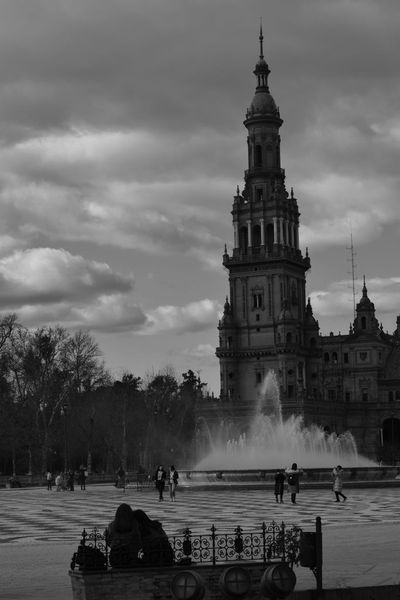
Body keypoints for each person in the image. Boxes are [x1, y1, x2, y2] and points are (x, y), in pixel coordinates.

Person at [105, 503, 144, 568]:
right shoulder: (134, 525)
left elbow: (108, 542)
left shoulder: (112, 526)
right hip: (130, 557)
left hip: (114, 558)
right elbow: (139, 543)